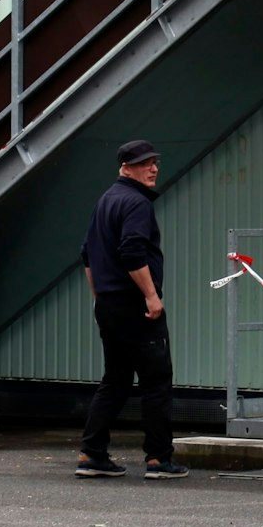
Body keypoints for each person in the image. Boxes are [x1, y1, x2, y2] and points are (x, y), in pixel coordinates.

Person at [76, 140, 187, 481]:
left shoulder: (105, 200)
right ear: (125, 167)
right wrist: (151, 296)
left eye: (154, 162)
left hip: (109, 305)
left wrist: (99, 296)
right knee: (156, 380)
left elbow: (87, 255)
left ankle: (92, 453)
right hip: (135, 306)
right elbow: (132, 252)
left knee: (116, 379)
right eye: (144, 163)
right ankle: (158, 459)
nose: (152, 168)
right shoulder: (136, 203)